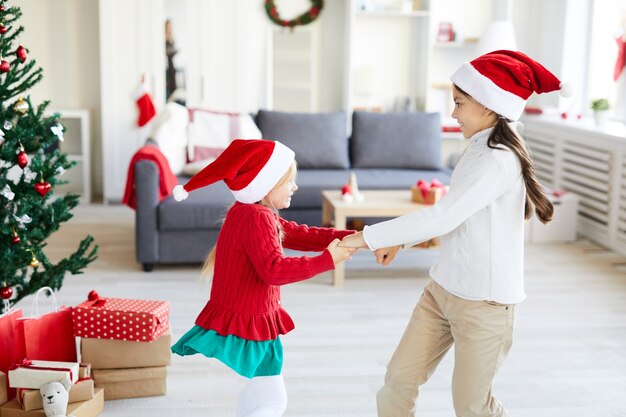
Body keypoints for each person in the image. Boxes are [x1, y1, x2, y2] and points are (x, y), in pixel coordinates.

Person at [340, 50, 570, 417]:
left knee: (472, 407)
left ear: (490, 104)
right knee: (397, 382)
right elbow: (458, 214)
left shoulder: (497, 159)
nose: (453, 113)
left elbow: (445, 215)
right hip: (442, 291)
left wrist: (370, 236)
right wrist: (400, 238)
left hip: (484, 304)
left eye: (460, 103)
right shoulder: (481, 146)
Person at [170, 139, 356, 417]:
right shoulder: (258, 217)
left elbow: (298, 234)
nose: (295, 186)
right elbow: (273, 269)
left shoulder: (249, 211)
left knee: (263, 391)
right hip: (253, 321)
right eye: (289, 180)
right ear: (265, 185)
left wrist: (353, 237)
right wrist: (327, 261)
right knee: (273, 400)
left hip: (251, 316)